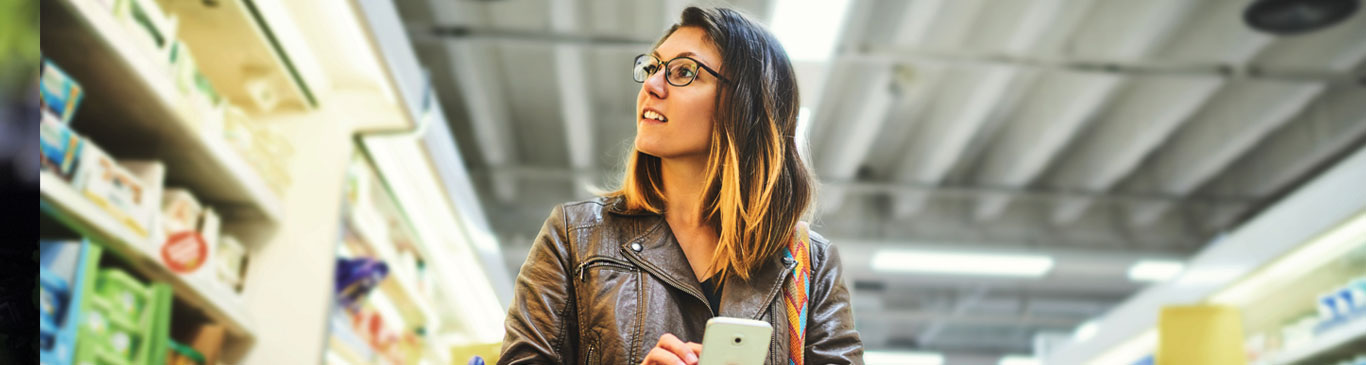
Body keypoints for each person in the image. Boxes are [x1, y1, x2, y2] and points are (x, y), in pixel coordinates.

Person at [498, 6, 863, 365]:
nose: (652, 86)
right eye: (653, 67)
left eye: (684, 72)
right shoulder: (576, 238)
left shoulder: (808, 263)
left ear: (745, 105)